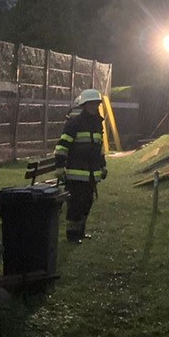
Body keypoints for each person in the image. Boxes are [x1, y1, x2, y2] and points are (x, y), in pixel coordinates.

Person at [54, 88, 108, 243]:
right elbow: (62, 145)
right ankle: (72, 236)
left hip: (91, 173)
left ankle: (80, 232)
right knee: (76, 205)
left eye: (96, 104)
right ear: (84, 105)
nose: (94, 107)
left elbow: (100, 149)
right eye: (90, 104)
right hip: (76, 173)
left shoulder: (97, 124)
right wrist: (59, 166)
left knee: (87, 203)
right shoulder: (74, 123)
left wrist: (103, 166)